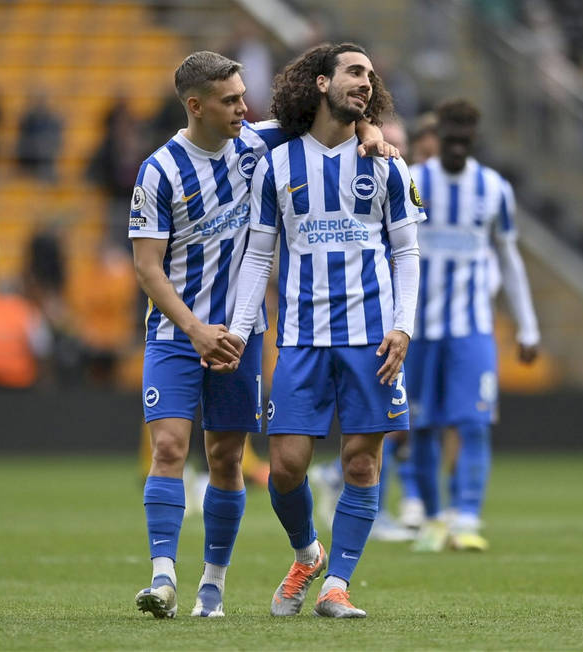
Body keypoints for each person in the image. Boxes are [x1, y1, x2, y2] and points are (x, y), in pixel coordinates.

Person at [130, 50, 395, 620]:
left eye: (243, 95)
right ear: (196, 106)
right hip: (179, 331)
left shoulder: (256, 142)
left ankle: (213, 585)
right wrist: (195, 328)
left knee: (226, 457)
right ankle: (163, 576)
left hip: (241, 334)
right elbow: (148, 267)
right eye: (230, 100)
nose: (244, 108)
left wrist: (372, 127)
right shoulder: (158, 171)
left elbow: (334, 120)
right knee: (171, 447)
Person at [225, 42, 424, 619]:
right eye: (354, 72)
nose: (366, 81)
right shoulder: (274, 157)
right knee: (285, 467)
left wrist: (404, 329)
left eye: (370, 76)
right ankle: (307, 553)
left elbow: (407, 253)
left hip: (372, 339)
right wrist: (240, 332)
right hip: (302, 337)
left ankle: (337, 583)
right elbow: (260, 257)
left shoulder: (387, 162)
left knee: (362, 464)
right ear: (319, 82)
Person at [407, 99, 540, 552]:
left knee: (474, 423)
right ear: (437, 135)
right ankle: (430, 518)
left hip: (472, 329)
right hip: (418, 329)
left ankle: (466, 517)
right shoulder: (413, 182)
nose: (458, 148)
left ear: (475, 140)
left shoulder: (494, 188)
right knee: (421, 427)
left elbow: (509, 255)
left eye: (466, 141)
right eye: (450, 140)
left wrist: (528, 327)